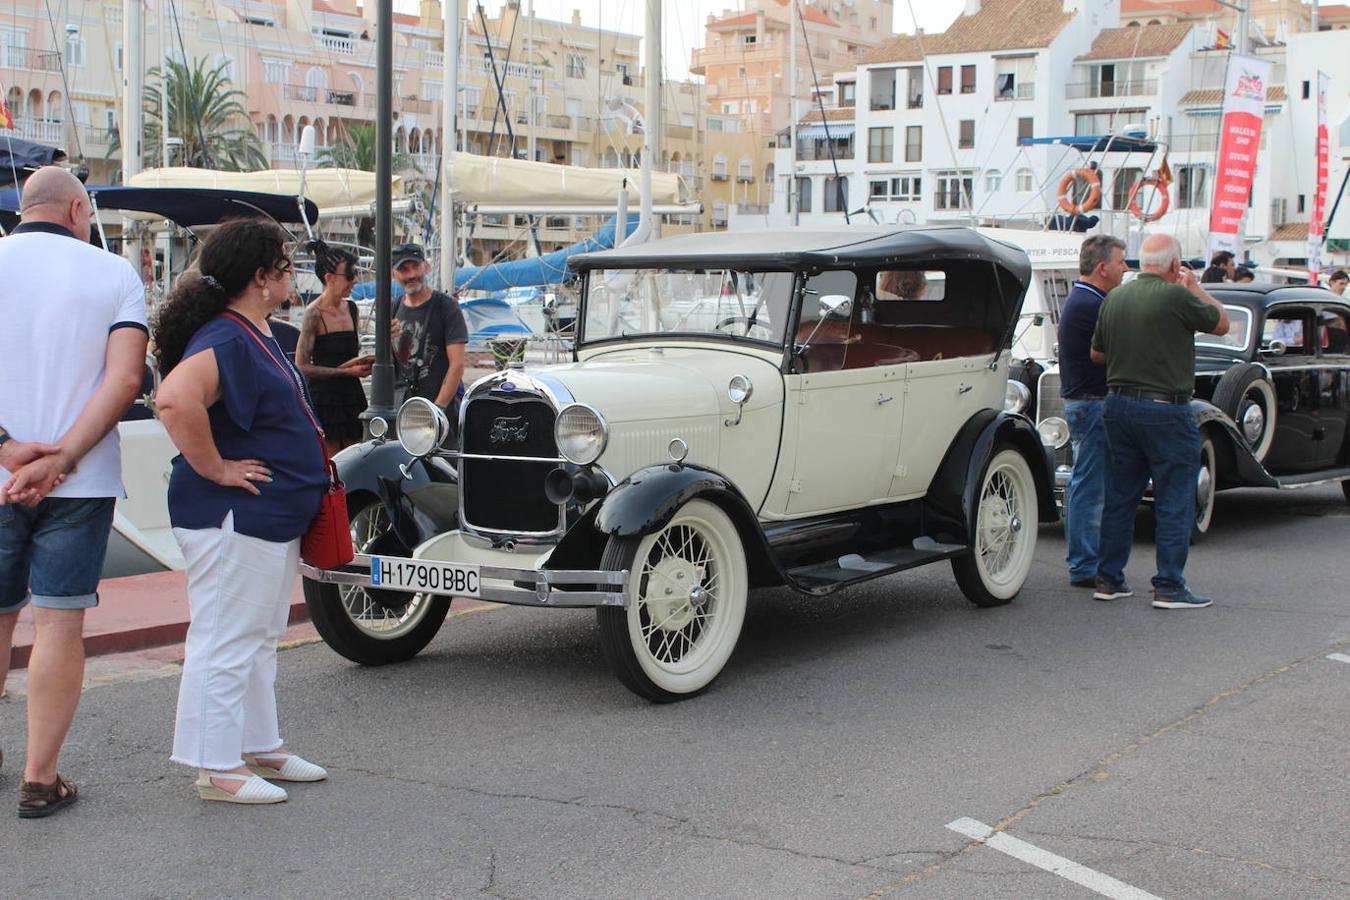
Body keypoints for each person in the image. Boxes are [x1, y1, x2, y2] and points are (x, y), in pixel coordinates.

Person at [153, 218, 329, 805]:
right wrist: (215, 467)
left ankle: (261, 744)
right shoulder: (226, 338)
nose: (293, 272)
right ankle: (215, 765)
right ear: (262, 277)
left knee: (256, 633)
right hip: (233, 514)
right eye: (285, 263)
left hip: (265, 516)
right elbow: (175, 399)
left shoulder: (254, 331)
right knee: (227, 635)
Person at [0, 166, 147, 817]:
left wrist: (10, 451)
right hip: (79, 483)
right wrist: (62, 457)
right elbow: (123, 382)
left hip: (1, 475)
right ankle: (40, 778)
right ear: (77, 209)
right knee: (59, 622)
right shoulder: (113, 273)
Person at [1090, 234, 1229, 610]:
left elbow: (1097, 352)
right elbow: (1222, 324)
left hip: (1118, 404)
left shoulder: (1115, 297)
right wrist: (1196, 286)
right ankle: (1168, 585)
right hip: (1166, 409)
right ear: (1173, 264)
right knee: (1173, 497)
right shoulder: (1177, 296)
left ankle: (1109, 579)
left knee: (1120, 497)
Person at [1056, 235, 1128, 589]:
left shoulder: (1083, 299)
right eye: (1120, 262)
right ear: (1102, 267)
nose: (1125, 268)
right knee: (1090, 486)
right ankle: (1084, 564)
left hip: (1084, 400)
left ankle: (1086, 560)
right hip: (1092, 401)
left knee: (1087, 483)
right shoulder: (1092, 304)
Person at [296, 242, 370, 454]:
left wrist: (364, 365)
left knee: (356, 456)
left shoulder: (352, 308)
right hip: (325, 399)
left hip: (351, 395)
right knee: (332, 462)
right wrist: (345, 372)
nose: (354, 280)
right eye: (349, 275)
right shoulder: (314, 313)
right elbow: (302, 366)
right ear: (329, 278)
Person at [391, 243, 468, 428]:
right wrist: (385, 340)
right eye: (403, 269)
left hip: (438, 411)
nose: (411, 275)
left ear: (426, 266)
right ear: (394, 274)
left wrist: (437, 411)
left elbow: (457, 365)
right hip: (402, 411)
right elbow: (386, 364)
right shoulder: (392, 308)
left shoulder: (446, 306)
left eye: (415, 267)